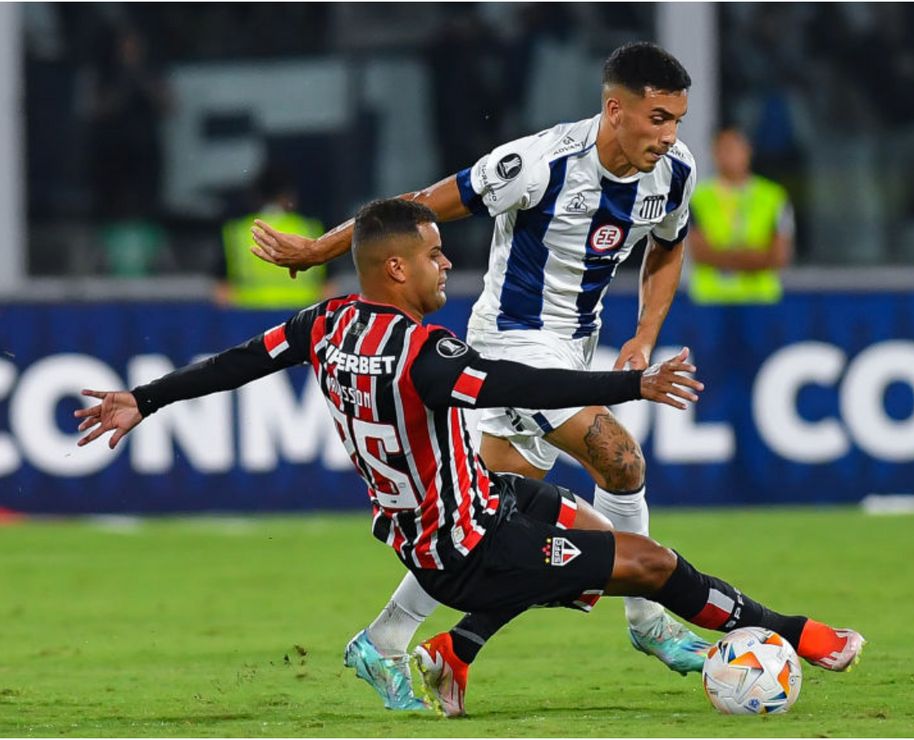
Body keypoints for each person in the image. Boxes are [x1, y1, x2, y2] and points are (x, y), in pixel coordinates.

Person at [75, 199, 865, 718]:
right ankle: (797, 633)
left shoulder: (326, 323)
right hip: (469, 547)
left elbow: (241, 359)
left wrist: (143, 399)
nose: (445, 264)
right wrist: (634, 382)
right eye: (432, 254)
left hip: (449, 516)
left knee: (573, 524)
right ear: (396, 268)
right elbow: (520, 379)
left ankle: (450, 649)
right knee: (651, 565)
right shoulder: (425, 351)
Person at [249, 42, 719, 706]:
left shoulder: (673, 172)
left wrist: (644, 335)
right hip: (511, 346)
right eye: (658, 118)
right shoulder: (537, 162)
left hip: (574, 346)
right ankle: (650, 621)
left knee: (484, 521)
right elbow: (415, 208)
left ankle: (386, 641)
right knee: (622, 461)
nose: (670, 135)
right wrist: (319, 249)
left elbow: (669, 247)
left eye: (677, 120)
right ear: (616, 110)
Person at [686, 126, 795, 305]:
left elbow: (779, 255)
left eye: (733, 148)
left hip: (760, 299)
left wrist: (724, 258)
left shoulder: (773, 196)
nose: (728, 156)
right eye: (722, 149)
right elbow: (699, 252)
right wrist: (752, 258)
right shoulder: (699, 198)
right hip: (712, 300)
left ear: (748, 151)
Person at [215, 165, 328, 309]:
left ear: (255, 196)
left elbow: (222, 292)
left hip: (250, 318)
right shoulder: (310, 229)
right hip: (301, 319)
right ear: (290, 196)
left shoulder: (236, 232)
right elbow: (328, 288)